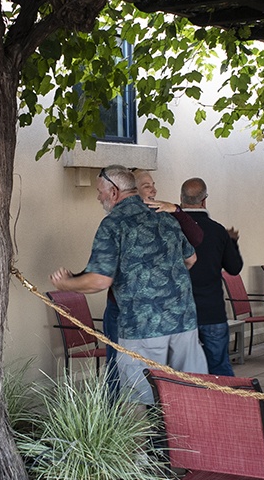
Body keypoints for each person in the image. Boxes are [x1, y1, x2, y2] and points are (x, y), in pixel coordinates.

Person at [51, 165, 207, 403]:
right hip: (184, 323)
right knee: (189, 396)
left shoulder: (113, 224)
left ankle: (158, 442)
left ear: (114, 192)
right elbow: (191, 258)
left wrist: (66, 284)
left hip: (142, 328)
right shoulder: (165, 217)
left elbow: (100, 280)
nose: (98, 196)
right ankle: (188, 440)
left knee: (147, 403)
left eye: (100, 191)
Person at [91, 169, 203, 395]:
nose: (154, 190)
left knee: (155, 382)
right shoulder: (119, 223)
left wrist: (177, 211)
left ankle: (161, 421)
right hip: (123, 310)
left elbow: (195, 245)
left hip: (158, 318)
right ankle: (113, 415)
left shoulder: (164, 219)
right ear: (130, 192)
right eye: (146, 186)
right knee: (121, 370)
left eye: (153, 185)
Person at [174, 177, 243, 375]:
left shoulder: (171, 228)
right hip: (212, 312)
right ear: (204, 200)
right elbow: (234, 268)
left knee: (182, 371)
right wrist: (233, 242)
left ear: (180, 199)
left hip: (179, 313)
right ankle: (224, 405)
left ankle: (187, 406)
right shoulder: (218, 231)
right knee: (219, 367)